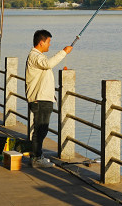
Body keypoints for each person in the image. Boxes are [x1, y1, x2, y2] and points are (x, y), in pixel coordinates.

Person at [25, 29, 72, 168]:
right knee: (40, 129)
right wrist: (64, 52)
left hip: (43, 98)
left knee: (41, 129)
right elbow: (48, 64)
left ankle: (37, 156)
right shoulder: (35, 56)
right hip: (40, 99)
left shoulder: (38, 56)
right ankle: (36, 158)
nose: (49, 45)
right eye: (48, 42)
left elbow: (45, 68)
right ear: (41, 42)